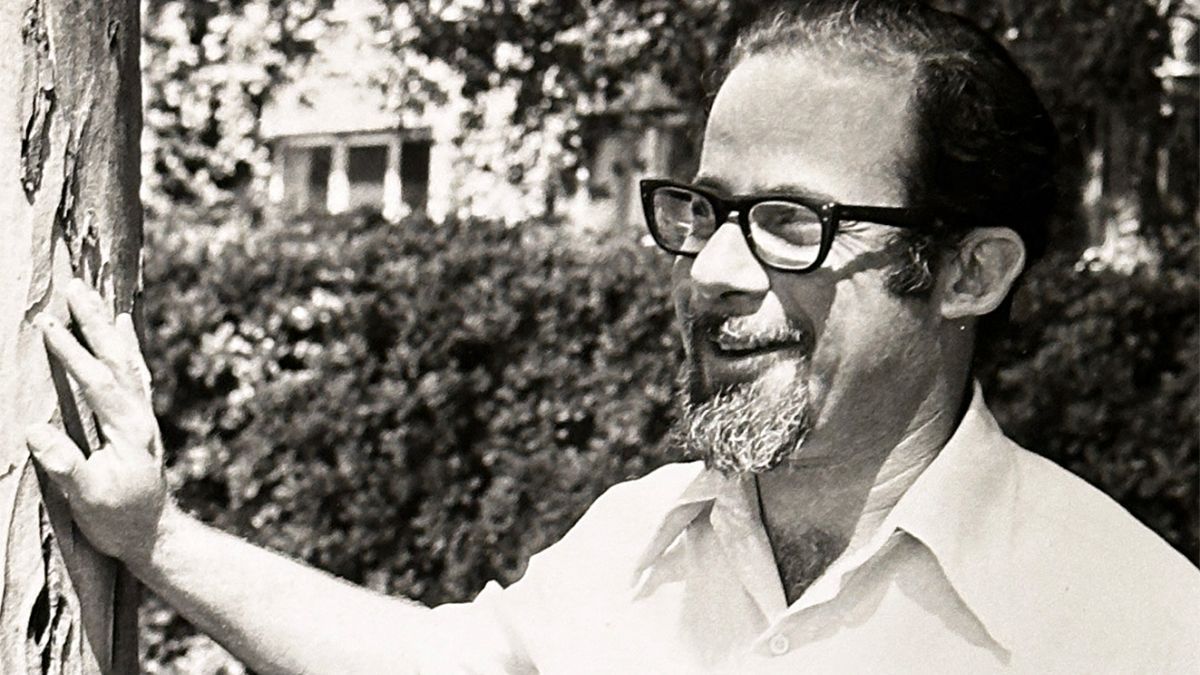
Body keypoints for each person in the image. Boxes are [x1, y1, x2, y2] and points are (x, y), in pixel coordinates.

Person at [24, 2, 1198, 673]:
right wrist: (153, 534)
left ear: (968, 273)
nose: (715, 269)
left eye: (793, 223)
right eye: (707, 210)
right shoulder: (641, 538)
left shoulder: (1129, 623)